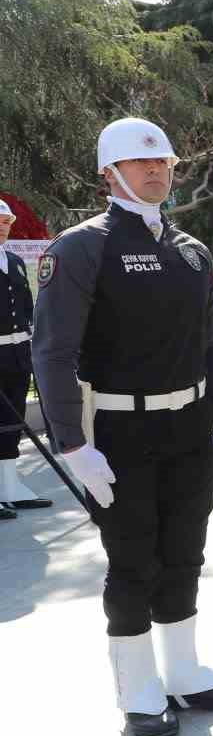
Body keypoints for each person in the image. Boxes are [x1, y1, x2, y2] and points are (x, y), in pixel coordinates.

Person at [32, 117, 213, 736]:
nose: (156, 170)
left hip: (187, 427)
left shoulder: (190, 248)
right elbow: (53, 353)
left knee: (185, 553)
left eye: (163, 163)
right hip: (119, 431)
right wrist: (73, 443)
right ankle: (137, 688)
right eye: (139, 163)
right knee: (133, 562)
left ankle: (182, 672)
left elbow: (212, 339)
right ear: (109, 173)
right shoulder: (82, 246)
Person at [0, 198, 51, 516]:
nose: (3, 227)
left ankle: (9, 485)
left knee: (12, 423)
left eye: (6, 222)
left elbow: (28, 307)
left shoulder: (16, 261)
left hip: (18, 355)